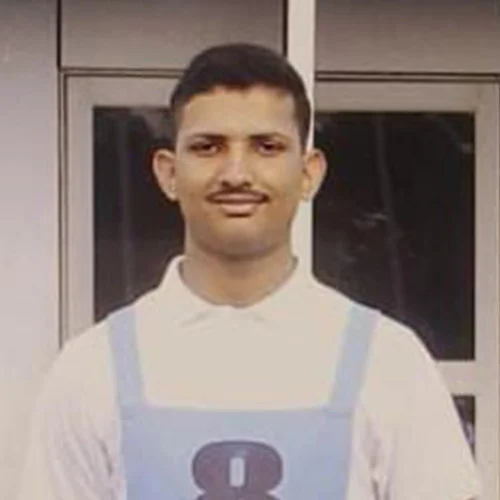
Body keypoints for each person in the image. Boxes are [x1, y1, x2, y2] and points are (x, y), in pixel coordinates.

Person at [19, 43, 480, 500]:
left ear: (309, 173)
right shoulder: (90, 370)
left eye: (266, 147)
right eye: (208, 146)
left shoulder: (390, 363)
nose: (236, 173)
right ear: (168, 173)